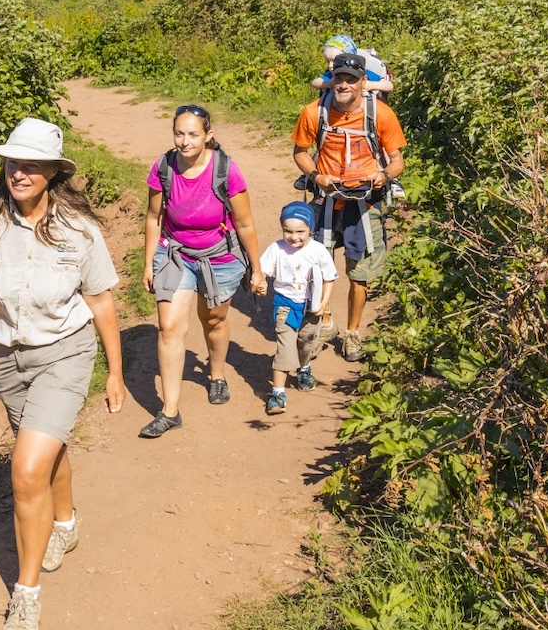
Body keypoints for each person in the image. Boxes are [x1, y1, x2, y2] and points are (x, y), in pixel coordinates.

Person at [0, 117, 126, 630]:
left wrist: (115, 373)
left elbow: (102, 304)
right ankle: (65, 523)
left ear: (52, 171)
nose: (18, 172)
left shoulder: (80, 230)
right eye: (12, 162)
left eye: (30, 165)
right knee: (45, 452)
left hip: (65, 354)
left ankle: (25, 597)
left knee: (26, 470)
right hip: (5, 358)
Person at [138, 104, 266, 437]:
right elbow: (154, 218)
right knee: (168, 327)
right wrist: (148, 261)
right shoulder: (164, 167)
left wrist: (257, 269)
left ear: (208, 136)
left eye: (193, 134)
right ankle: (169, 411)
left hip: (218, 257)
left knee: (213, 319)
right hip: (175, 254)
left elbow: (245, 222)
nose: (185, 141)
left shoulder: (226, 170)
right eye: (179, 133)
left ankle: (217, 374)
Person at [292, 52, 406, 362]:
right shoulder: (313, 112)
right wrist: (316, 175)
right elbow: (300, 152)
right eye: (339, 78)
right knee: (318, 266)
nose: (344, 85)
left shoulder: (381, 114)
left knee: (360, 274)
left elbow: (397, 162)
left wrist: (381, 176)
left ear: (363, 82)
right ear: (332, 80)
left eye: (351, 79)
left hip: (364, 204)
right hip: (325, 200)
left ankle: (352, 333)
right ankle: (324, 321)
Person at [259, 201, 338, 415]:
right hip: (285, 305)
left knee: (306, 343)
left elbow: (330, 278)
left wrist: (323, 303)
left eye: (300, 231)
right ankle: (277, 393)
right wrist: (260, 282)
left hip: (312, 308)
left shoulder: (319, 250)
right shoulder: (276, 249)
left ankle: (304, 367)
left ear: (310, 228)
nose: (294, 237)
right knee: (284, 349)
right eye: (288, 231)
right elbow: (262, 271)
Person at [310, 34, 393, 94]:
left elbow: (389, 85)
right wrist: (330, 83)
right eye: (328, 61)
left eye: (334, 61)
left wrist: (371, 85)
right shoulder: (332, 75)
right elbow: (315, 83)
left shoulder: (363, 73)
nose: (330, 66)